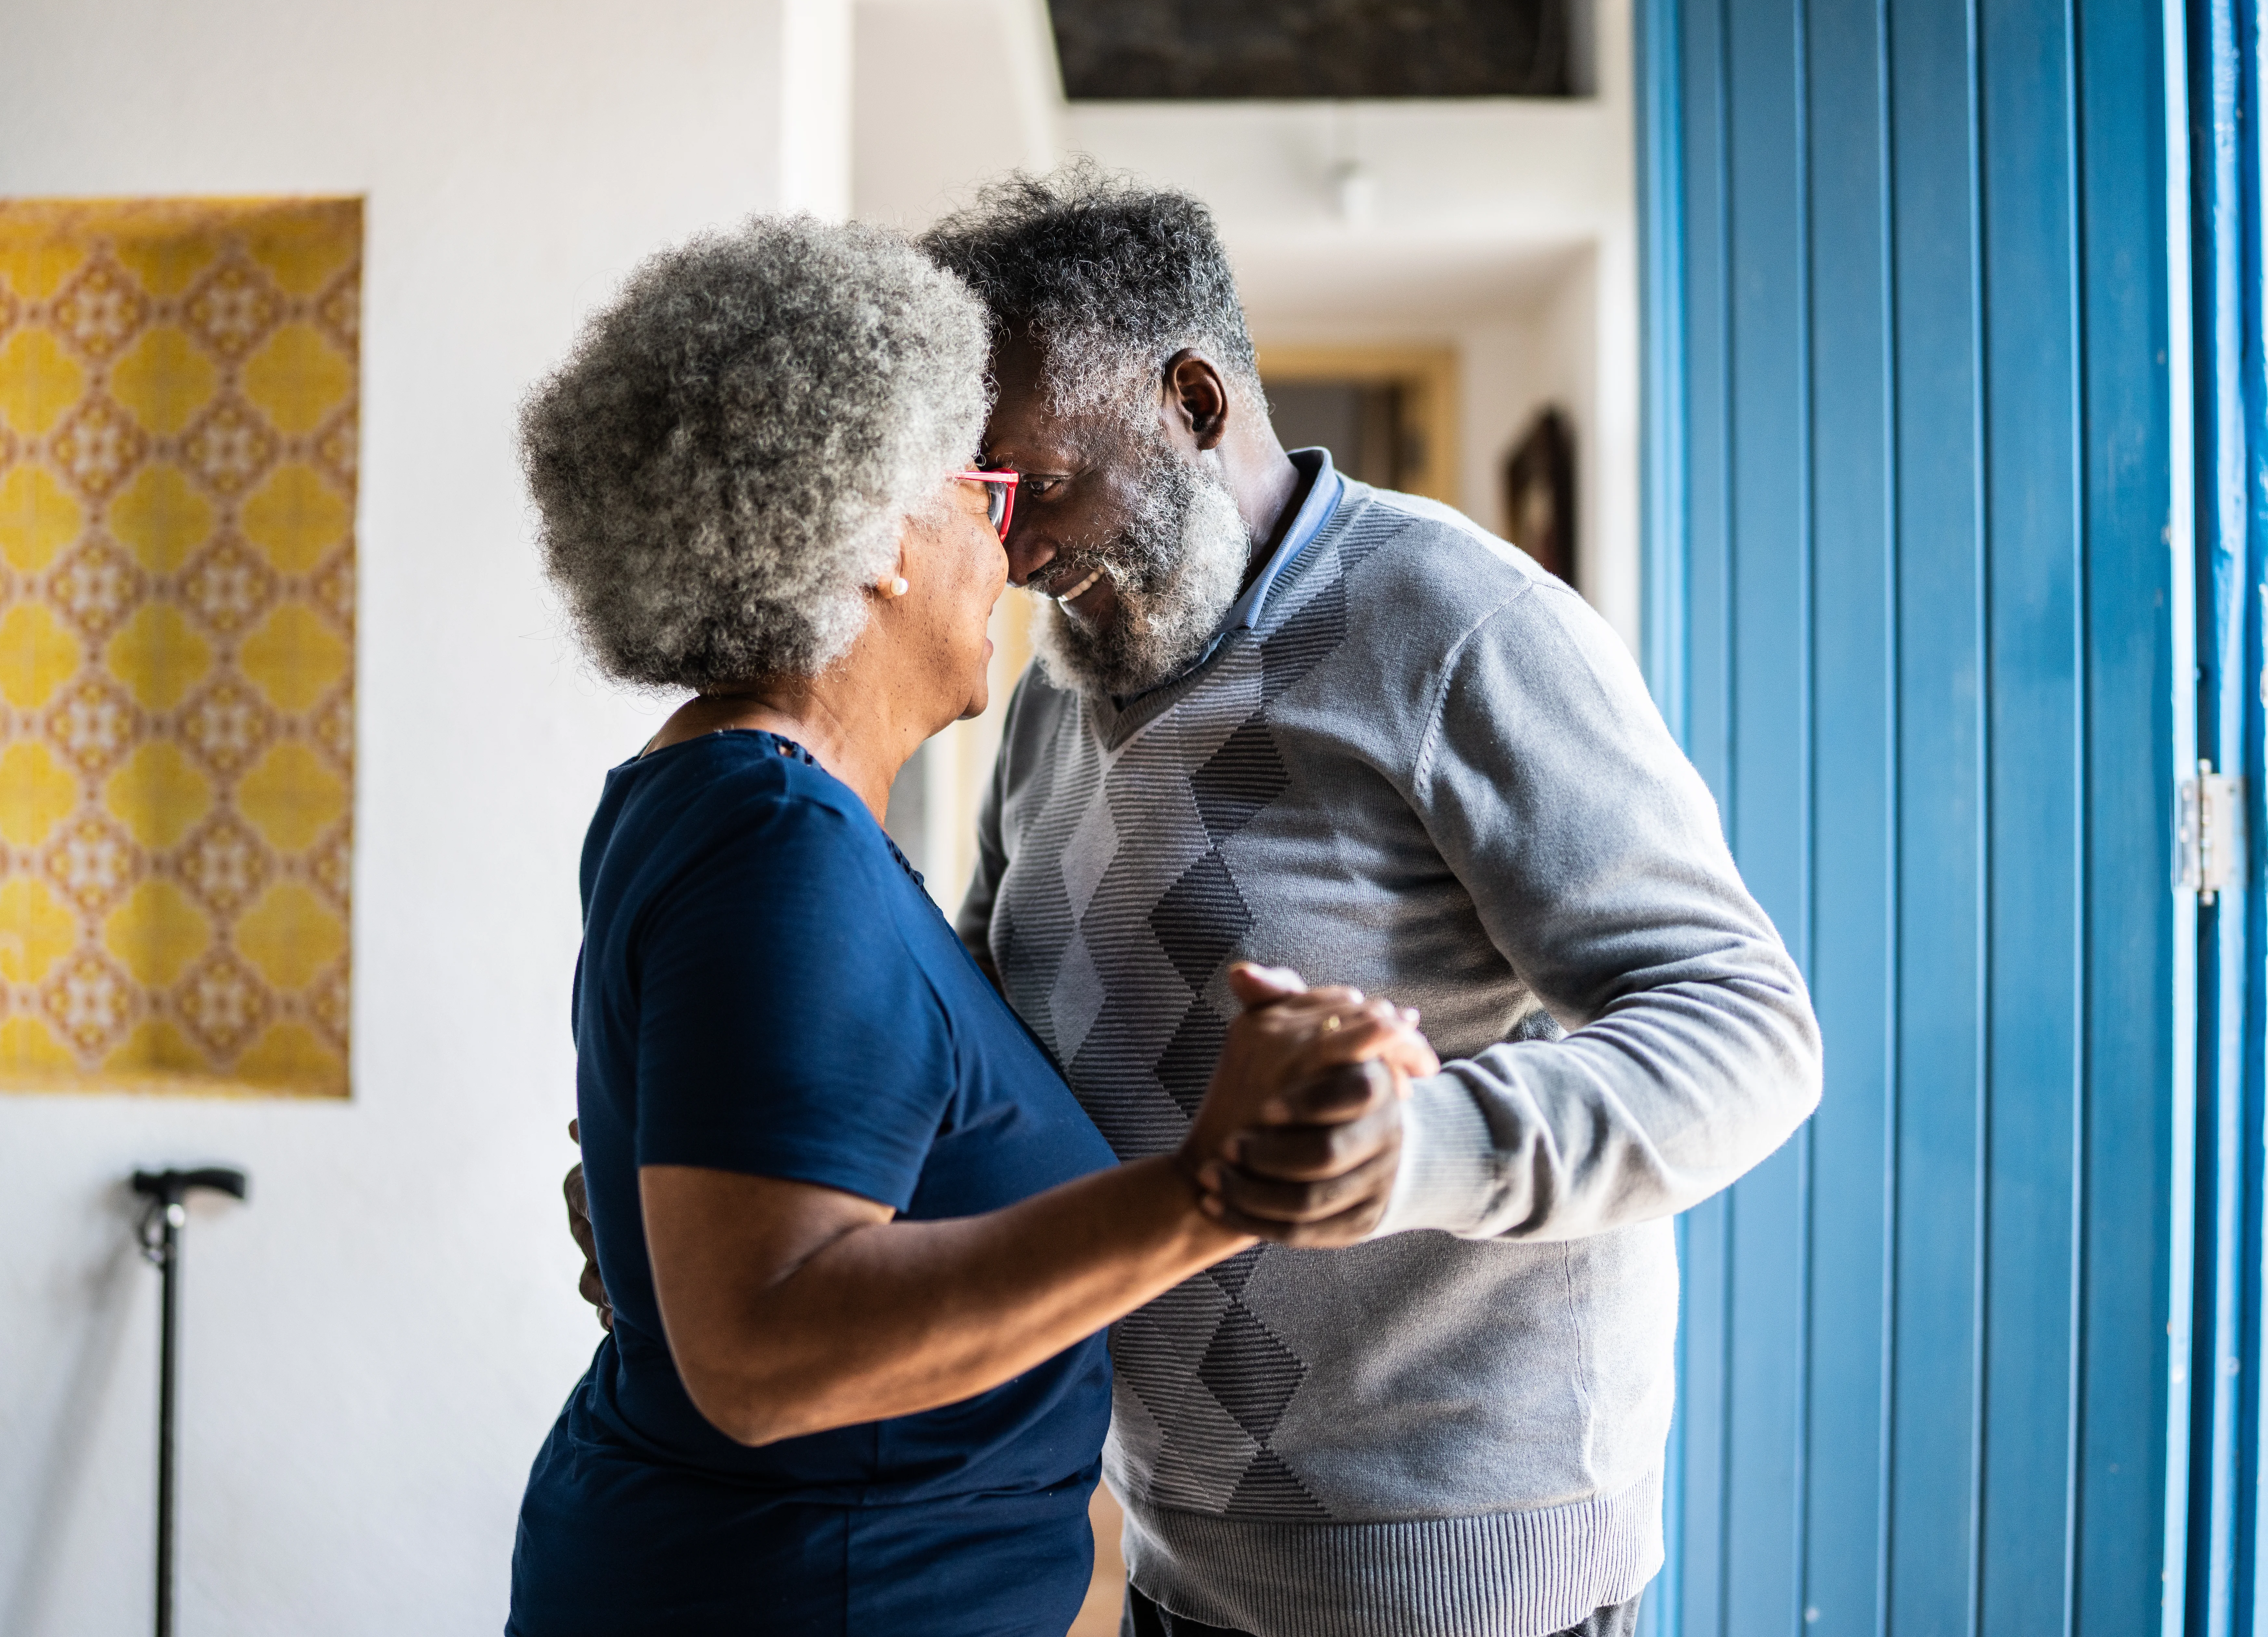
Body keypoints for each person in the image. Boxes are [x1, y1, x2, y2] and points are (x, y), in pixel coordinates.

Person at [906, 166, 1826, 1637]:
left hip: (1468, 1586)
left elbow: (1746, 1030)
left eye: (1038, 486)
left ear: (1192, 404)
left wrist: (1417, 1146)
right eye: (977, 498)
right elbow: (980, 1040)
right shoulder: (1046, 705)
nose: (1002, 551)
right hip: (1172, 1558)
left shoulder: (1456, 628)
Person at [506, 214, 1438, 1637]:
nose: (1002, 551)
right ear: (879, 535)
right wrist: (1215, 1185)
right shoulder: (772, 842)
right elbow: (762, 1354)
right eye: (975, 491)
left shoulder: (721, 799)